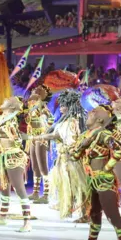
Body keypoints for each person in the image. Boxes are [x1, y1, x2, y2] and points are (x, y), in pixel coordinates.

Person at [72, 105, 121, 240]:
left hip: (104, 180)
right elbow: (75, 156)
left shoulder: (104, 134)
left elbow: (119, 151)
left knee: (113, 217)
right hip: (92, 180)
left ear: (100, 119)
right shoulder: (86, 135)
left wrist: (106, 168)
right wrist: (83, 144)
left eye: (94, 112)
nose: (90, 113)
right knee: (95, 213)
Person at [32, 90, 88, 222]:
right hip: (63, 158)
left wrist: (35, 137)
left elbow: (58, 136)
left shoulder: (72, 122)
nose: (61, 107)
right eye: (61, 104)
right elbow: (53, 135)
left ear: (70, 106)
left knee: (77, 185)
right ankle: (68, 207)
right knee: (66, 184)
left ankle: (86, 213)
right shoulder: (65, 121)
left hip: (71, 158)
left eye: (63, 105)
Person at [0, 97, 32, 232]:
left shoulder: (11, 119)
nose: (5, 99)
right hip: (2, 156)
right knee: (4, 187)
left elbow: (18, 135)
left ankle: (27, 222)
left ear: (13, 107)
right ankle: (3, 217)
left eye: (9, 100)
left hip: (14, 156)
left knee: (19, 189)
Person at [25, 85, 54, 204]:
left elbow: (51, 120)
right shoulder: (31, 106)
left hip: (41, 137)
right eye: (34, 90)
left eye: (38, 92)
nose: (35, 92)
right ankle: (36, 192)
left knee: (42, 166)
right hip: (32, 137)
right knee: (35, 166)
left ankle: (46, 194)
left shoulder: (43, 107)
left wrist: (46, 130)